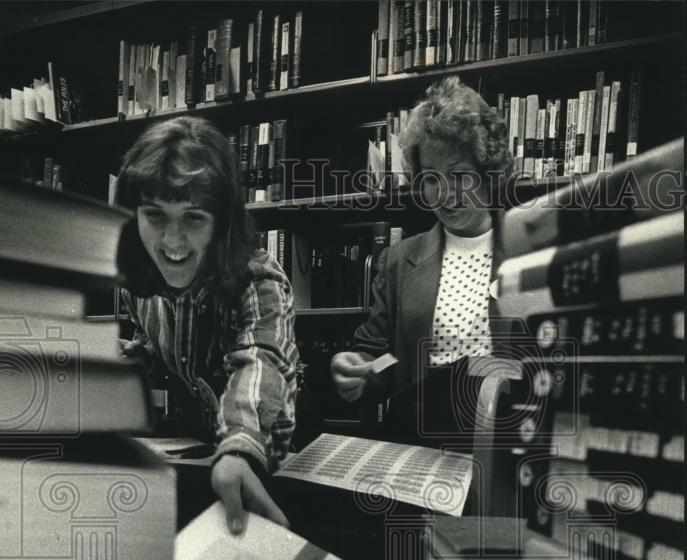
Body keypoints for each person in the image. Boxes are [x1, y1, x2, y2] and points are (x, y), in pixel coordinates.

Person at [116, 116, 299, 533]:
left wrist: (239, 450)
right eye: (155, 215)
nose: (173, 241)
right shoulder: (137, 284)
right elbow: (157, 339)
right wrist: (135, 356)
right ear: (134, 215)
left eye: (194, 217)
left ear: (222, 223)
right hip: (203, 467)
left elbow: (260, 362)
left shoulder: (259, 279)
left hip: (274, 469)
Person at [331, 77, 514, 444]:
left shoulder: (528, 249)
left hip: (504, 449)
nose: (445, 193)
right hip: (421, 450)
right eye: (431, 178)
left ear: (487, 170)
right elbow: (384, 358)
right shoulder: (399, 260)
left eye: (459, 174)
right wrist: (360, 370)